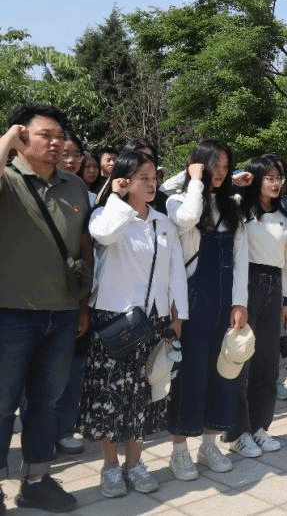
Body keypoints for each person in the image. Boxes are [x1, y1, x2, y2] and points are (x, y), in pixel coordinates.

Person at [0, 104, 91, 513]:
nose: (56, 143)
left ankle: (36, 481)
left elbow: (84, 248)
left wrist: (82, 305)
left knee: (46, 403)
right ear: (22, 137)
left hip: (63, 313)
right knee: (2, 405)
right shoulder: (8, 178)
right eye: (45, 135)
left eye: (60, 136)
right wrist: (6, 141)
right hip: (10, 312)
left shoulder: (74, 186)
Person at [81, 150, 188, 498]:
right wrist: (117, 198)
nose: (152, 183)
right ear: (124, 181)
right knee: (110, 396)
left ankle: (135, 463)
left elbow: (176, 274)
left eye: (154, 177)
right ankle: (111, 467)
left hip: (153, 321)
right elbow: (104, 235)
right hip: (114, 320)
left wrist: (178, 319)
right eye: (143, 177)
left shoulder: (163, 223)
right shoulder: (106, 214)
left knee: (142, 396)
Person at [165, 140, 249, 480]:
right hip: (193, 300)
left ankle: (209, 444)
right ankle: (179, 450)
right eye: (214, 165)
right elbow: (187, 219)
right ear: (198, 166)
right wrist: (195, 180)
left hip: (225, 301)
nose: (221, 172)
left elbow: (240, 258)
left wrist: (240, 302)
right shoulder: (178, 201)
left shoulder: (233, 206)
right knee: (190, 375)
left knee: (223, 373)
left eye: (226, 166)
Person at [223, 155, 287, 457]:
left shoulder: (285, 215)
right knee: (240, 362)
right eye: (269, 177)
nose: (276, 183)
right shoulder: (240, 208)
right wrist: (234, 180)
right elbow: (211, 194)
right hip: (246, 285)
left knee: (267, 364)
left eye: (279, 177)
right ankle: (237, 432)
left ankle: (259, 427)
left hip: (274, 287)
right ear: (254, 178)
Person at [53, 131, 89, 455]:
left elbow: (86, 247)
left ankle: (64, 430)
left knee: (71, 369)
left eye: (76, 154)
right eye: (65, 153)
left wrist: (84, 303)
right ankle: (40, 437)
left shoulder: (80, 191)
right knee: (36, 376)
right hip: (30, 300)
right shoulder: (27, 187)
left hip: (71, 296)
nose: (71, 159)